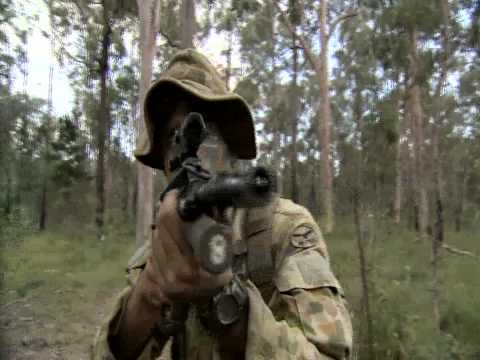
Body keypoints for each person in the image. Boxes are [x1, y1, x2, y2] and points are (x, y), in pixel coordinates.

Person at [92, 49, 353, 360]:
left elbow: (331, 353)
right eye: (171, 137)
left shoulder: (284, 228)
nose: (185, 150)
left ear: (229, 146)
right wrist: (150, 290)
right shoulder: (162, 245)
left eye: (204, 131)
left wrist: (228, 305)